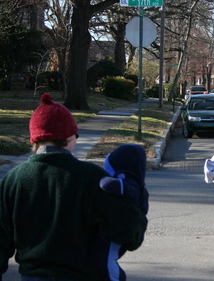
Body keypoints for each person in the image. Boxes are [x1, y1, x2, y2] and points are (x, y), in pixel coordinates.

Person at [0, 93, 147, 280]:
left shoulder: (12, 180)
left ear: (35, 139)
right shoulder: (93, 178)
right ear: (69, 136)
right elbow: (130, 234)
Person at [95, 144, 149, 281]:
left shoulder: (129, 185)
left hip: (116, 235)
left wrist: (96, 178)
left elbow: (106, 184)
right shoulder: (136, 185)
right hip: (116, 231)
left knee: (106, 261)